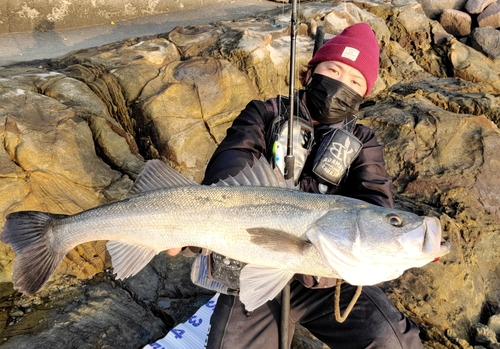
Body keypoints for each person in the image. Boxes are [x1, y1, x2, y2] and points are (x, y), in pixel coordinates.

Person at [168, 22, 422, 349]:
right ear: (310, 72)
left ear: (363, 96)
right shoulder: (264, 113)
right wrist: (198, 227)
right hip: (254, 263)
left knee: (394, 341)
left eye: (355, 80)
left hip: (328, 281)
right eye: (333, 69)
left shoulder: (363, 141)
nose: (341, 83)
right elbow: (230, 168)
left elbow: (375, 200)